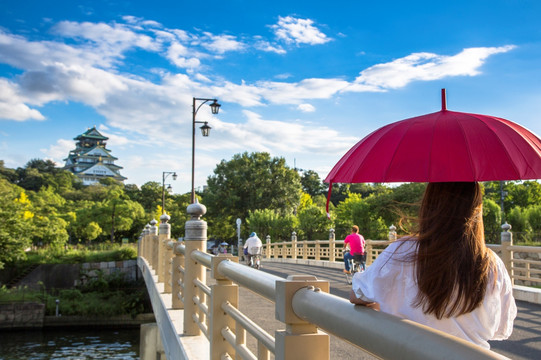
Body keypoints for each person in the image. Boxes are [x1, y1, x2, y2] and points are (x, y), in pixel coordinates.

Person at [349, 182, 517, 349]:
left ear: (429, 204)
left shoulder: (402, 252)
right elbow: (501, 328)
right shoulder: (492, 264)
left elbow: (357, 294)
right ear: (477, 209)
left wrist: (385, 300)